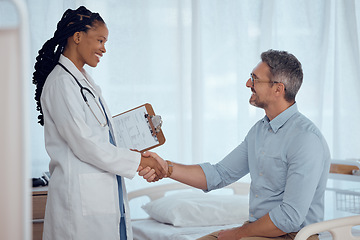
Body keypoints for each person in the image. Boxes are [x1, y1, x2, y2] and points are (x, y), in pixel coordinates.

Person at [140, 49, 331, 240]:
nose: (248, 84)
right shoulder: (259, 131)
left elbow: (289, 217)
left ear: (278, 89)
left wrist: (237, 233)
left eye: (254, 78)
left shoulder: (305, 139)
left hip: (293, 235)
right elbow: (218, 174)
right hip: (258, 230)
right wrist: (166, 168)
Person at [32, 6, 166, 240]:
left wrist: (138, 137)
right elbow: (85, 144)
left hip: (103, 194)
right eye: (100, 40)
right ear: (77, 37)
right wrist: (139, 162)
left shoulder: (83, 81)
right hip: (79, 204)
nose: (104, 48)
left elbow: (101, 135)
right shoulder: (61, 83)